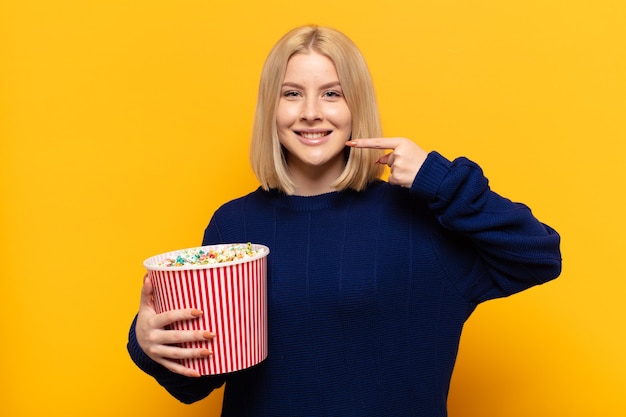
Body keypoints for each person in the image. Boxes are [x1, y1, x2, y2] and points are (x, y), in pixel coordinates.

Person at [127, 25, 562, 416]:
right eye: (292, 93)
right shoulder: (233, 225)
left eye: (332, 93)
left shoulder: (421, 217)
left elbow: (539, 254)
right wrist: (147, 343)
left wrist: (440, 180)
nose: (311, 112)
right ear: (270, 108)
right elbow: (195, 383)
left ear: (357, 105)